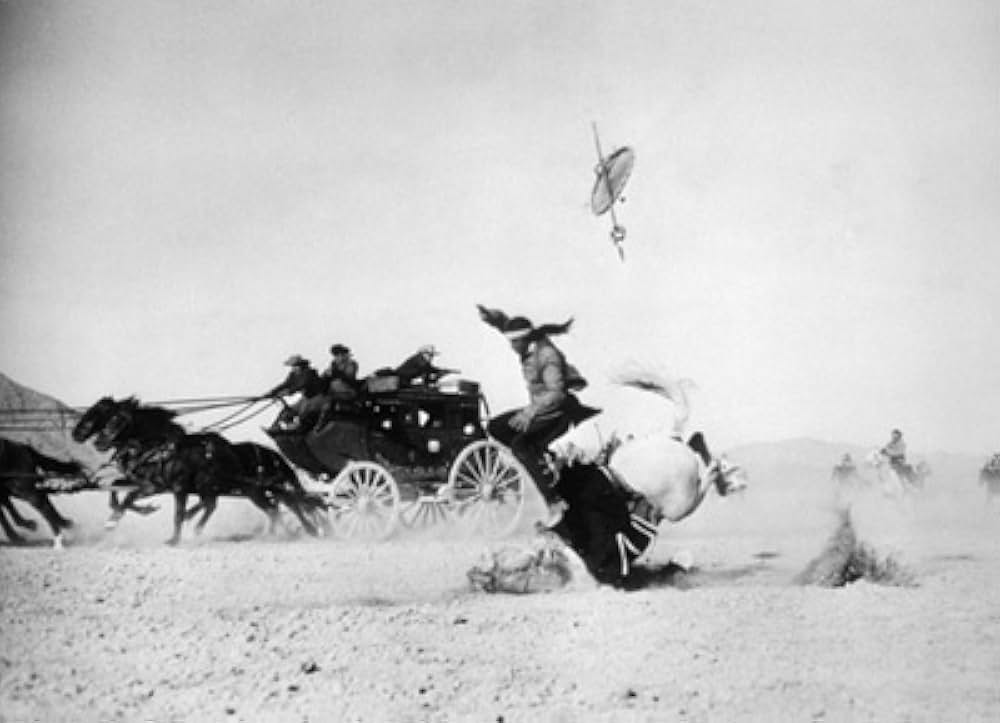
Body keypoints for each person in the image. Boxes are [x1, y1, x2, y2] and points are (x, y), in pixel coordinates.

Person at [477, 304, 597, 528]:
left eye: (515, 343)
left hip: (558, 411)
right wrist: (492, 319)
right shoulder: (526, 346)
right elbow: (507, 325)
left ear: (525, 339)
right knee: (495, 427)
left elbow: (557, 393)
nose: (512, 348)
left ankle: (554, 502)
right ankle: (537, 461)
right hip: (543, 409)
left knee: (520, 444)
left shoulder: (547, 355)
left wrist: (529, 412)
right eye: (510, 342)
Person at [265, 355, 326, 433]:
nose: (293, 368)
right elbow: (285, 384)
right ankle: (274, 429)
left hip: (316, 398)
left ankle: (296, 431)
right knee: (286, 412)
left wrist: (289, 391)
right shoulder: (293, 374)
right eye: (292, 366)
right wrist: (270, 393)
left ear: (300, 365)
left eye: (294, 366)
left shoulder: (309, 373)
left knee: (302, 414)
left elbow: (303, 384)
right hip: (305, 398)